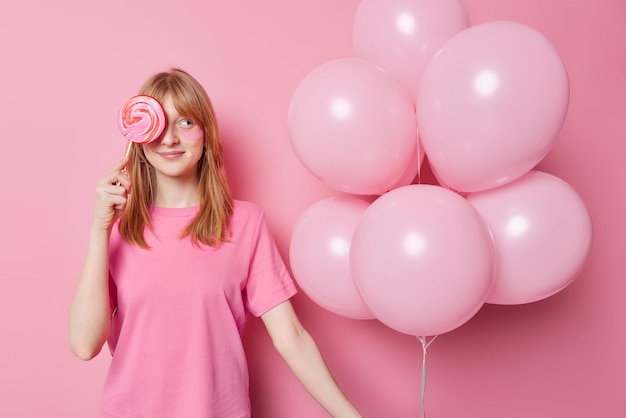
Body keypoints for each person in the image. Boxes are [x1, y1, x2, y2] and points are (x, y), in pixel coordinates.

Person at [68, 68, 362, 418]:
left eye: (186, 122)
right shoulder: (120, 231)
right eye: (158, 124)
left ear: (206, 134)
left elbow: (291, 338)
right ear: (138, 138)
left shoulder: (245, 224)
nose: (170, 139)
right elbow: (85, 345)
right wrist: (100, 228)